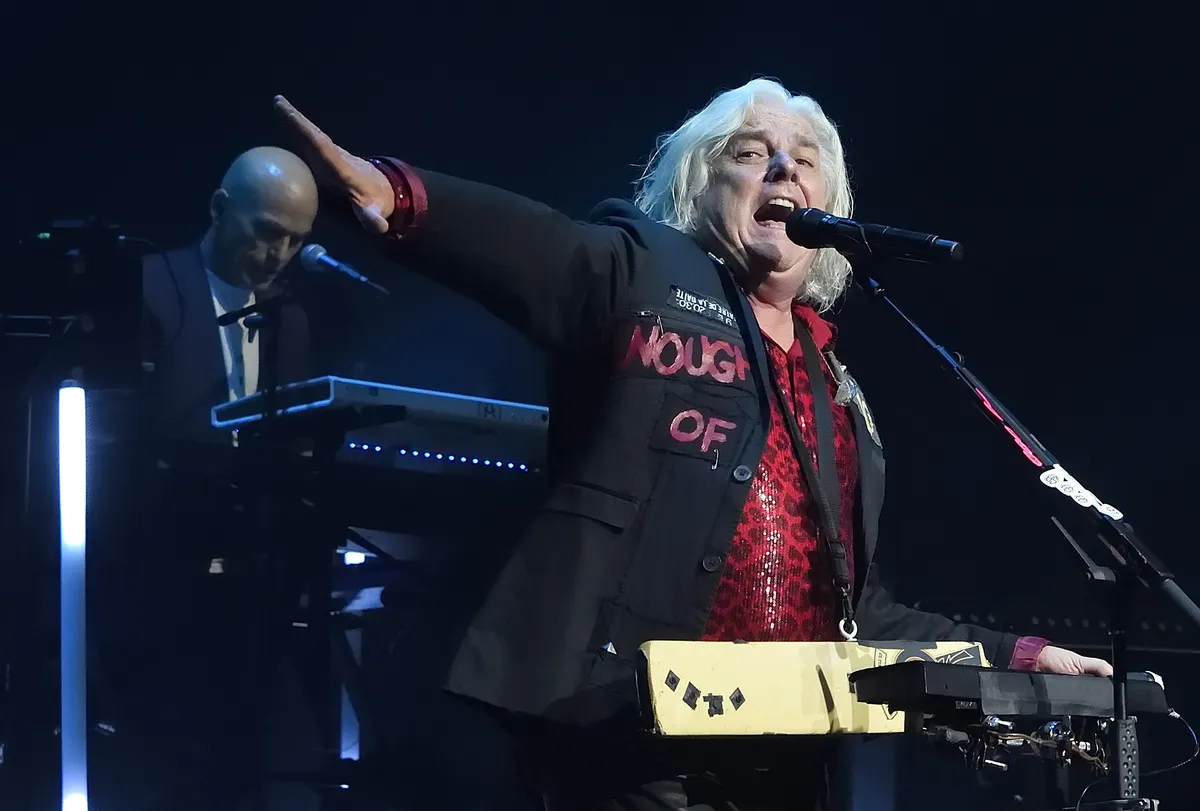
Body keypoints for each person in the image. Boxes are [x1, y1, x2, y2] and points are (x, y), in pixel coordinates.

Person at [274, 79, 1113, 810]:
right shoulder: (643, 274)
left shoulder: (836, 396)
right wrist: (402, 197)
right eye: (751, 153)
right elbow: (540, 250)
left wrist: (1019, 656)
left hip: (792, 748)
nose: (783, 169)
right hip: (627, 727)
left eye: (804, 159)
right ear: (698, 184)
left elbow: (861, 616)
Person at [143, 145, 318, 440]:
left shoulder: (289, 319)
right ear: (219, 208)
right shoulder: (149, 289)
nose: (280, 255)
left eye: (296, 241)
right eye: (269, 231)